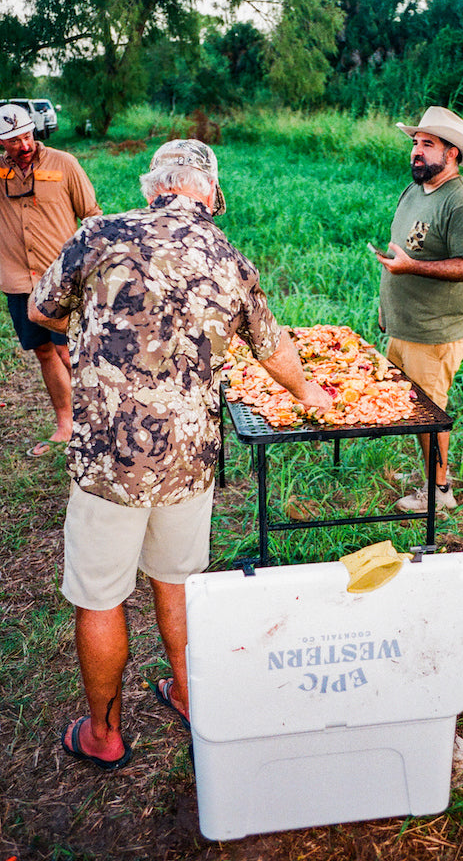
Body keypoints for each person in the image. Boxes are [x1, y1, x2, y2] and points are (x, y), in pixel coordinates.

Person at [28, 138, 332, 769]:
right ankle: (191, 696)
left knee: (100, 596)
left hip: (109, 461)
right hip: (189, 460)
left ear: (151, 187)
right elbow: (273, 352)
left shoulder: (99, 233)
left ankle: (104, 735)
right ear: (212, 196)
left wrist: (92, 321)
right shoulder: (230, 256)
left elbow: (39, 309)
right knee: (179, 581)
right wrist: (310, 391)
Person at [372, 106, 463, 513]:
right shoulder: (415, 190)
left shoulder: (462, 203)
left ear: (452, 153)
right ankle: (431, 472)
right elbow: (400, 251)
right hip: (404, 325)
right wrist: (386, 307)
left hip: (435, 330)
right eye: (415, 144)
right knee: (413, 408)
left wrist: (412, 268)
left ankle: (438, 491)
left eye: (428, 145)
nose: (416, 152)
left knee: (429, 413)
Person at [0, 102, 101, 457]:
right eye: (13, 141)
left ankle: (98, 423)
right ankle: (66, 425)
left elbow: (91, 215)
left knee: (68, 349)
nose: (23, 146)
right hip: (17, 280)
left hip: (61, 277)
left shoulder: (64, 163)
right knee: (44, 351)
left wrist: (88, 265)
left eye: (26, 136)